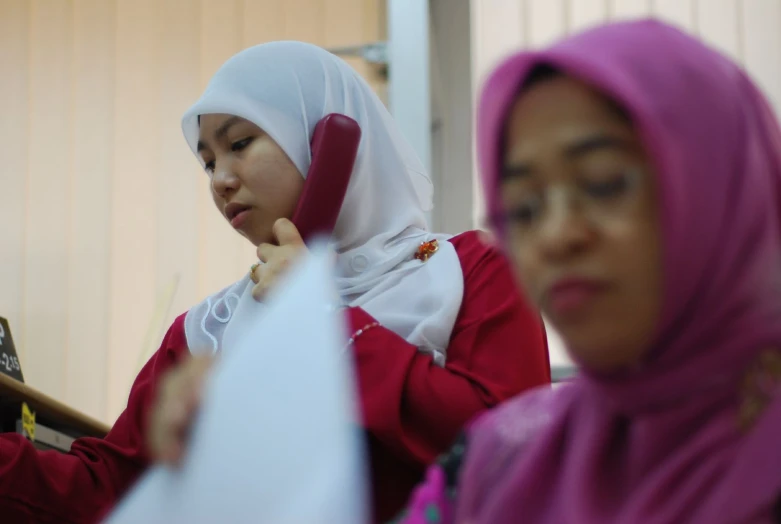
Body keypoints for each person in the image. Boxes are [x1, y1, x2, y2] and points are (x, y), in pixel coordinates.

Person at [0, 41, 550, 523]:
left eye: (239, 143)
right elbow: (109, 491)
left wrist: (320, 318)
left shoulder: (472, 269)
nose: (221, 179)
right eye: (207, 161)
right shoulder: (202, 335)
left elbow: (510, 450)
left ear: (332, 137)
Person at [394, 19, 781, 524]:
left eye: (603, 183)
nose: (555, 237)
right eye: (524, 209)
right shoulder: (498, 463)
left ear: (723, 189)